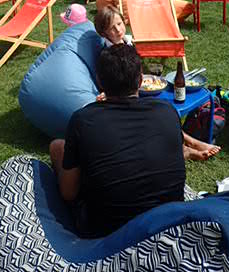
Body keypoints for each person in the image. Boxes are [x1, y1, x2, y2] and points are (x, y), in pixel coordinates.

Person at [50, 43, 192, 237]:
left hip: (109, 235)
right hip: (168, 224)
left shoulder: (83, 120)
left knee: (56, 147)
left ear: (100, 81)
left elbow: (68, 193)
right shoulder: (167, 111)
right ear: (140, 80)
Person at [94, 5, 220, 161]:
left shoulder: (128, 41)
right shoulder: (107, 54)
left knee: (164, 108)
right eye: (112, 28)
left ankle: (188, 144)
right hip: (125, 97)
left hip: (137, 90)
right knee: (159, 113)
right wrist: (105, 93)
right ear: (104, 32)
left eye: (119, 24)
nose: (118, 30)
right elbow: (108, 82)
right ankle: (188, 146)